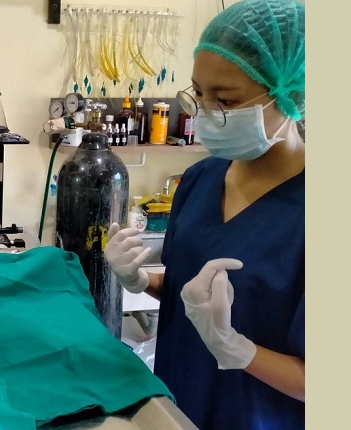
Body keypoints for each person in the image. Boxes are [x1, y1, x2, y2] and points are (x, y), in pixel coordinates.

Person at [104, 0, 304, 428]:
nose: (205, 113)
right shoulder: (199, 180)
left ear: (294, 95)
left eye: (225, 99)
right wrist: (141, 281)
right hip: (178, 403)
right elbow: (197, 296)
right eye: (198, 92)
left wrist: (237, 350)